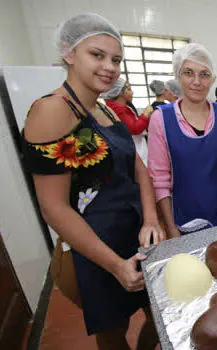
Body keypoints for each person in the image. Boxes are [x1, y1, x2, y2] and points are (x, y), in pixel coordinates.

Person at [21, 13, 162, 349]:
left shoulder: (107, 110)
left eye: (115, 59)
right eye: (97, 55)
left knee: (160, 316)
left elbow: (137, 168)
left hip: (133, 235)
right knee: (113, 335)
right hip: (93, 250)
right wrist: (115, 265)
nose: (109, 67)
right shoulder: (52, 111)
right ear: (69, 53)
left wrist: (152, 219)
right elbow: (54, 208)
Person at [148, 43, 217, 238]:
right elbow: (160, 179)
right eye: (188, 72)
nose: (197, 81)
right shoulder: (162, 119)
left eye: (204, 74)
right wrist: (171, 228)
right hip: (185, 222)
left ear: (212, 79)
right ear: (178, 76)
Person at [103, 78, 151, 166]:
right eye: (129, 89)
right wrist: (146, 114)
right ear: (120, 92)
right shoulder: (119, 109)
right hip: (134, 146)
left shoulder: (116, 106)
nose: (132, 93)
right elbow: (135, 129)